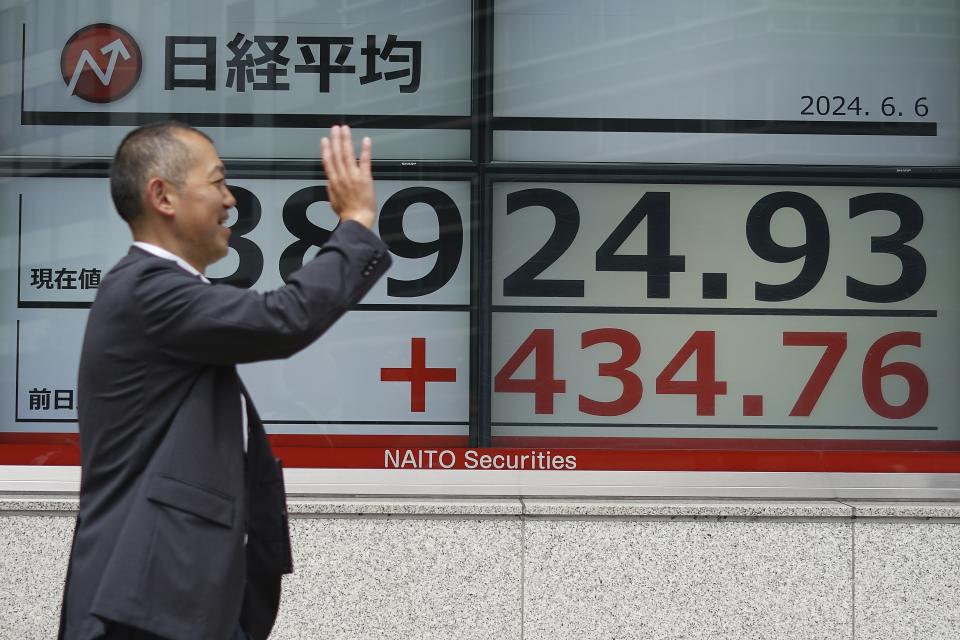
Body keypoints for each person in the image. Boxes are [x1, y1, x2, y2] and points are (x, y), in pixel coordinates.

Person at [57, 123, 390, 640]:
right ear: (162, 195)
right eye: (217, 182)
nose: (230, 200)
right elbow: (285, 318)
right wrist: (356, 222)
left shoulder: (161, 297)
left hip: (175, 602)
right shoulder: (147, 291)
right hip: (145, 607)